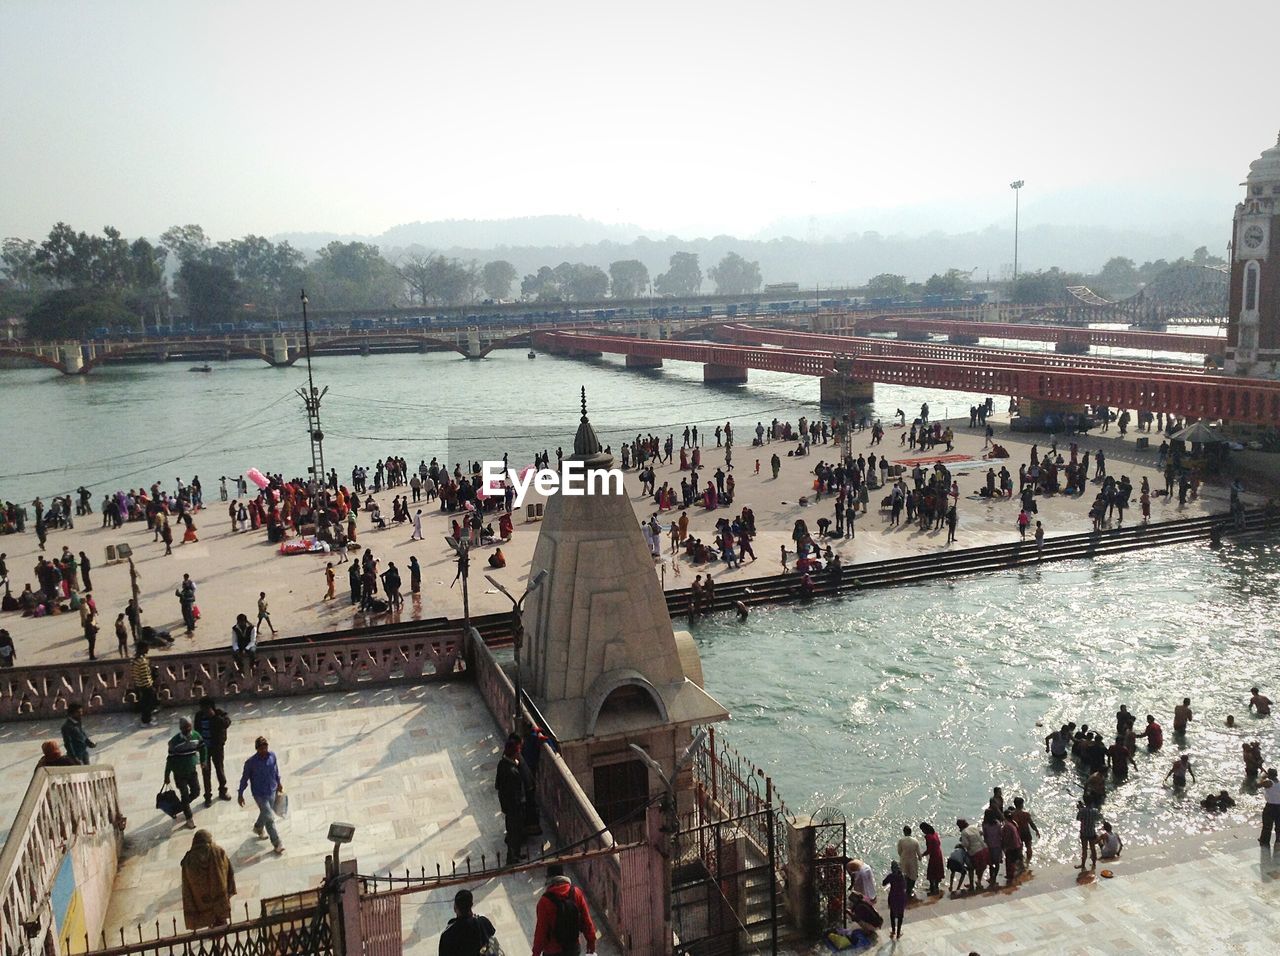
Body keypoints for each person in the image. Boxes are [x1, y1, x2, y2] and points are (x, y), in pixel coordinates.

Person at [532, 863, 597, 956]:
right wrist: (591, 943)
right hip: (573, 948)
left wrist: (536, 953)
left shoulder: (544, 902)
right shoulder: (576, 893)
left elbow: (541, 931)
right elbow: (586, 921)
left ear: (548, 879)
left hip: (553, 951)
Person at [237, 735, 285, 854]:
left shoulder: (272, 756)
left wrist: (279, 783)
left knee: (265, 813)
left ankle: (258, 827)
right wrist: (240, 793)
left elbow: (275, 770)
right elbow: (244, 779)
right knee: (269, 818)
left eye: (265, 747)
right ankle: (277, 843)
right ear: (257, 749)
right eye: (261, 748)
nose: (264, 750)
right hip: (259, 794)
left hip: (272, 790)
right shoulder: (251, 763)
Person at [180, 829, 236, 930]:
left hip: (201, 900)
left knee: (210, 920)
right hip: (219, 897)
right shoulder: (217, 851)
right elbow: (227, 869)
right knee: (221, 922)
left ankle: (212, 929)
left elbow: (187, 882)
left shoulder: (189, 859)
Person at [164, 717, 205, 830]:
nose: (187, 729)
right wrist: (166, 776)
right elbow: (170, 760)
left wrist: (203, 760)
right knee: (184, 794)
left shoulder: (196, 736)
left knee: (196, 792)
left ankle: (182, 805)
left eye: (189, 727)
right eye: (185, 727)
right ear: (180, 728)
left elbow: (202, 748)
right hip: (179, 773)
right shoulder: (174, 742)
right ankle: (189, 817)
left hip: (191, 771)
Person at [193, 698, 232, 805]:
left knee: (219, 769)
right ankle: (207, 796)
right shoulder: (199, 716)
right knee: (206, 772)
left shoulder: (219, 714)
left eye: (206, 708)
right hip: (204, 749)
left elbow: (226, 723)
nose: (204, 710)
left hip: (217, 747)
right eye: (202, 708)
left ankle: (223, 791)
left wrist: (214, 716)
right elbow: (196, 731)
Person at [438, 888, 497, 956]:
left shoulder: (447, 935)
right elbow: (492, 940)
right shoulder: (483, 922)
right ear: (471, 904)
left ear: (455, 908)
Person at [495, 740, 525, 863]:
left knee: (512, 830)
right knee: (514, 831)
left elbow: (497, 785)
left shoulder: (502, 764)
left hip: (506, 804)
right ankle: (512, 857)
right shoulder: (512, 771)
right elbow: (515, 792)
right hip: (514, 806)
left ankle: (515, 854)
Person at [1010, 797, 1041, 864]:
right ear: (1022, 805)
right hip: (1026, 832)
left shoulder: (1012, 814)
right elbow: (1031, 823)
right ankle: (1027, 861)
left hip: (1018, 833)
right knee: (1029, 847)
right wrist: (1036, 830)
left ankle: (1021, 862)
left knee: (1019, 849)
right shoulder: (1026, 814)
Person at [131, 644, 157, 725]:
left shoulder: (135, 660)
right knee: (148, 703)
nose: (148, 649)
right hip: (145, 685)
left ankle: (146, 719)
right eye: (146, 647)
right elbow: (145, 675)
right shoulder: (141, 661)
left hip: (140, 685)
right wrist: (150, 686)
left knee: (144, 702)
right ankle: (147, 720)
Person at [883, 860, 907, 939]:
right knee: (900, 915)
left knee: (892, 914)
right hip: (901, 897)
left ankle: (893, 931)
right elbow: (905, 886)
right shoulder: (902, 876)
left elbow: (883, 883)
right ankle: (898, 933)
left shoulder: (891, 876)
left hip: (893, 896)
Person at [920, 821, 944, 895]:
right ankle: (936, 887)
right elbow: (939, 844)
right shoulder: (935, 834)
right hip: (939, 853)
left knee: (931, 872)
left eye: (922, 830)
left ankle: (932, 889)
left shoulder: (928, 837)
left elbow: (929, 849)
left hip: (934, 856)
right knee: (937, 871)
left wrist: (922, 855)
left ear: (925, 829)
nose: (922, 831)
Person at [896, 825, 920, 898]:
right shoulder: (915, 841)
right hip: (913, 860)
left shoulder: (901, 841)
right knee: (913, 875)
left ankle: (906, 889)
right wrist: (920, 858)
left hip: (904, 859)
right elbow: (918, 853)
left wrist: (902, 857)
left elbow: (899, 851)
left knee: (905, 875)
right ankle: (910, 889)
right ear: (911, 832)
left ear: (904, 832)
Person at [1075, 800, 1100, 870]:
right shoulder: (1095, 811)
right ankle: (1094, 863)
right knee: (1093, 849)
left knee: (1084, 849)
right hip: (1092, 832)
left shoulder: (1082, 811)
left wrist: (1080, 809)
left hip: (1084, 832)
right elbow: (1097, 819)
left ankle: (1083, 865)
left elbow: (1078, 818)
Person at [1260, 769, 1280, 846]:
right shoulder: (1279, 783)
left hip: (1270, 806)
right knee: (1278, 825)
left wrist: (1262, 777)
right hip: (1279, 806)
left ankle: (1264, 841)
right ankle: (1278, 840)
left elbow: (1256, 785)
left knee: (1267, 826)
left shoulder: (1269, 782)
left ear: (1269, 775)